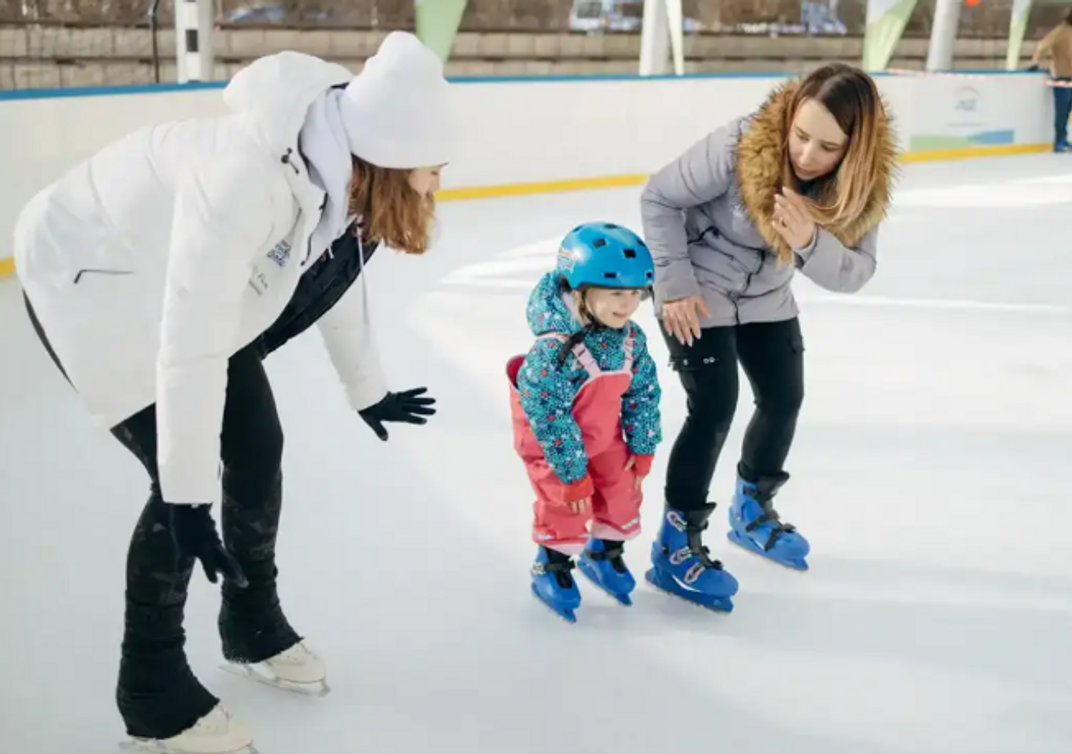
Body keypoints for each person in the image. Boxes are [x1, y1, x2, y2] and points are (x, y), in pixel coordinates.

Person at [13, 31, 454, 754]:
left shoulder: (339, 167)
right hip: (88, 273)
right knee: (176, 484)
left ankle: (250, 622)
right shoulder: (245, 176)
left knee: (255, 446)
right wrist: (187, 494)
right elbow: (188, 337)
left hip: (165, 271)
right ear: (393, 158)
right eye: (432, 168)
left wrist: (365, 388)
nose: (437, 182)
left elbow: (330, 274)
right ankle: (151, 693)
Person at [638, 62, 898, 612]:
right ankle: (673, 543)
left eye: (827, 147)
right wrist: (675, 284)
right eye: (800, 137)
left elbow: (853, 273)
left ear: (855, 149)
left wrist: (809, 240)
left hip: (766, 295)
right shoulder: (742, 143)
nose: (805, 156)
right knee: (713, 408)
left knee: (784, 397)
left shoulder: (862, 187)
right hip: (697, 287)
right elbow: (659, 196)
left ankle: (751, 509)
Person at [505, 222, 662, 623]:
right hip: (552, 443)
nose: (626, 305)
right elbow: (551, 417)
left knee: (623, 488)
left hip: (603, 433)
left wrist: (642, 447)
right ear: (580, 291)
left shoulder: (630, 338)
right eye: (615, 294)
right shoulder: (553, 350)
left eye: (635, 294)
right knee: (567, 502)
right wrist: (572, 473)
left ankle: (603, 552)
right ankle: (551, 562)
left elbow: (643, 393)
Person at [1029, 4, 1072, 153]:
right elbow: (1043, 45)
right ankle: (1058, 141)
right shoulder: (1060, 31)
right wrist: (1036, 61)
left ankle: (1064, 138)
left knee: (1068, 109)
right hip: (1060, 75)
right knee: (1061, 109)